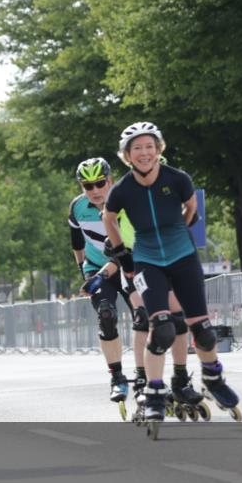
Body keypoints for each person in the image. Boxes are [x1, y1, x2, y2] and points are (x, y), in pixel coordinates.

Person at [103, 122, 241, 438]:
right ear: (127, 155)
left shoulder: (177, 179)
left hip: (183, 258)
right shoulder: (122, 190)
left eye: (149, 146)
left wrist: (181, 228)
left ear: (159, 149)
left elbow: (191, 207)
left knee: (203, 332)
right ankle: (152, 391)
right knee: (162, 328)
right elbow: (108, 218)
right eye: (136, 148)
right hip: (147, 261)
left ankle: (213, 378)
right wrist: (123, 254)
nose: (144, 152)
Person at [70, 157, 147, 420]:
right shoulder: (77, 208)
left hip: (126, 263)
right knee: (105, 313)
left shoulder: (124, 201)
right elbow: (77, 243)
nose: (94, 190)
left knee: (143, 316)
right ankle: (116, 377)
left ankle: (143, 376)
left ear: (110, 181)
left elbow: (132, 241)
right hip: (96, 268)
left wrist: (106, 270)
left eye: (100, 183)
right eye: (87, 185)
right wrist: (84, 270)